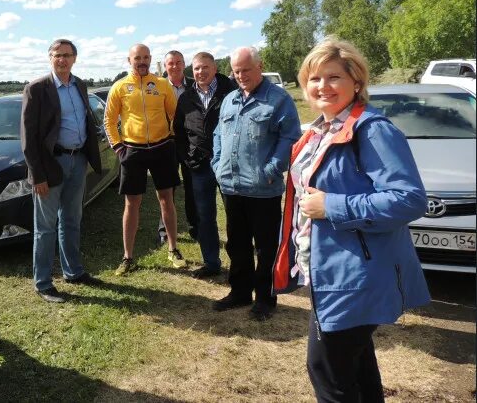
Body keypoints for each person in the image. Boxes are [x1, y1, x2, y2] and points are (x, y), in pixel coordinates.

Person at [273, 38, 430, 402]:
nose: (322, 86)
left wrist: (333, 206)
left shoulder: (372, 129)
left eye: (333, 77)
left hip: (355, 277)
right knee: (355, 367)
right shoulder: (318, 131)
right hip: (330, 271)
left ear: (356, 82)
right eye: (314, 78)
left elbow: (408, 199)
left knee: (328, 372)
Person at [210, 46, 301, 319]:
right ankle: (239, 292)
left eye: (246, 70)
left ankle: (265, 299)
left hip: (263, 189)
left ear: (260, 66)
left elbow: (290, 138)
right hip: (231, 186)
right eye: (236, 71)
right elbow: (217, 134)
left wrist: (272, 168)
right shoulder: (229, 100)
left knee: (265, 246)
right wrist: (217, 164)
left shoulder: (278, 99)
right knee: (236, 243)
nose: (240, 75)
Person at [21, 39, 105, 303]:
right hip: (50, 165)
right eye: (57, 55)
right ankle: (43, 283)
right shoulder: (36, 89)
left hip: (77, 161)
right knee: (45, 227)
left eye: (67, 55)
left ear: (75, 58)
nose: (62, 59)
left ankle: (73, 271)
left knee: (71, 220)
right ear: (50, 58)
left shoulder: (79, 84)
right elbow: (28, 137)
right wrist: (37, 176)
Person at [104, 43, 187, 275]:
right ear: (129, 60)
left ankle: (173, 248)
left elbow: (175, 114)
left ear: (151, 59)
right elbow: (109, 121)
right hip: (132, 150)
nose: (142, 61)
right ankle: (128, 256)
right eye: (137, 57)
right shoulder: (119, 87)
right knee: (132, 204)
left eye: (146, 57)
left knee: (166, 199)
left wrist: (172, 138)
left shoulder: (161, 84)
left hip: (162, 148)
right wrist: (119, 148)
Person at [173, 52, 236, 278]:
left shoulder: (231, 91)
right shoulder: (186, 98)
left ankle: (238, 263)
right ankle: (211, 263)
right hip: (199, 166)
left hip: (228, 165)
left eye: (205, 67)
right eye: (197, 68)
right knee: (204, 216)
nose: (201, 72)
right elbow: (178, 132)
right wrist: (187, 157)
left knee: (235, 216)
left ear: (215, 67)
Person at [157, 50, 198, 245]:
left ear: (184, 64)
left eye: (178, 62)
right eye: (170, 63)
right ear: (165, 66)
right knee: (167, 189)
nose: (174, 66)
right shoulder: (157, 85)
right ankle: (164, 230)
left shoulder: (194, 84)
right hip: (165, 143)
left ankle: (195, 227)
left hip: (189, 143)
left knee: (192, 186)